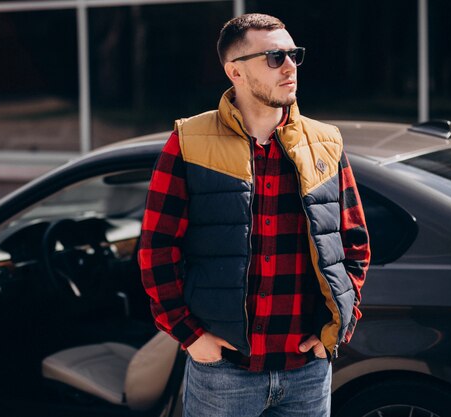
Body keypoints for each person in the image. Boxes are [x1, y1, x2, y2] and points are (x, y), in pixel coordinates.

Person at [139, 13, 370, 416]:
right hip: (224, 372)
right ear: (235, 71)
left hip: (308, 371)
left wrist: (338, 326)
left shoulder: (326, 143)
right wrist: (190, 336)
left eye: (294, 55)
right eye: (274, 57)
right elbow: (157, 249)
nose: (289, 67)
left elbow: (353, 243)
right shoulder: (188, 141)